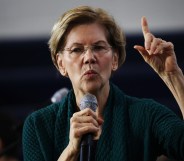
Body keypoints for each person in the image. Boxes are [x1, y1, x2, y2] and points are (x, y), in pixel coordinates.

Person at [22, 6, 184, 161]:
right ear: (61, 64)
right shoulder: (38, 124)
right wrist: (71, 150)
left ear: (114, 59)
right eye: (77, 49)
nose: (89, 57)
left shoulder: (146, 114)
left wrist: (173, 77)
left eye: (99, 47)